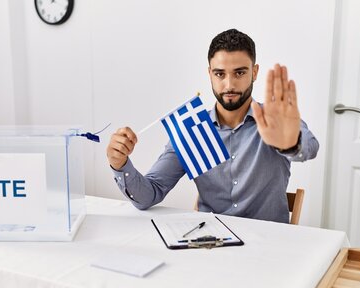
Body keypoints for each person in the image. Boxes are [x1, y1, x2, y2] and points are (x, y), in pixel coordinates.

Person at [106, 29, 319, 223]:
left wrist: (290, 144)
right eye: (220, 74)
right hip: (211, 244)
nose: (229, 84)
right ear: (209, 74)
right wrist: (120, 163)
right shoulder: (192, 130)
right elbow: (147, 196)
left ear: (254, 72)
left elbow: (310, 147)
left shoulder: (275, 121)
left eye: (240, 73)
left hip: (269, 245)